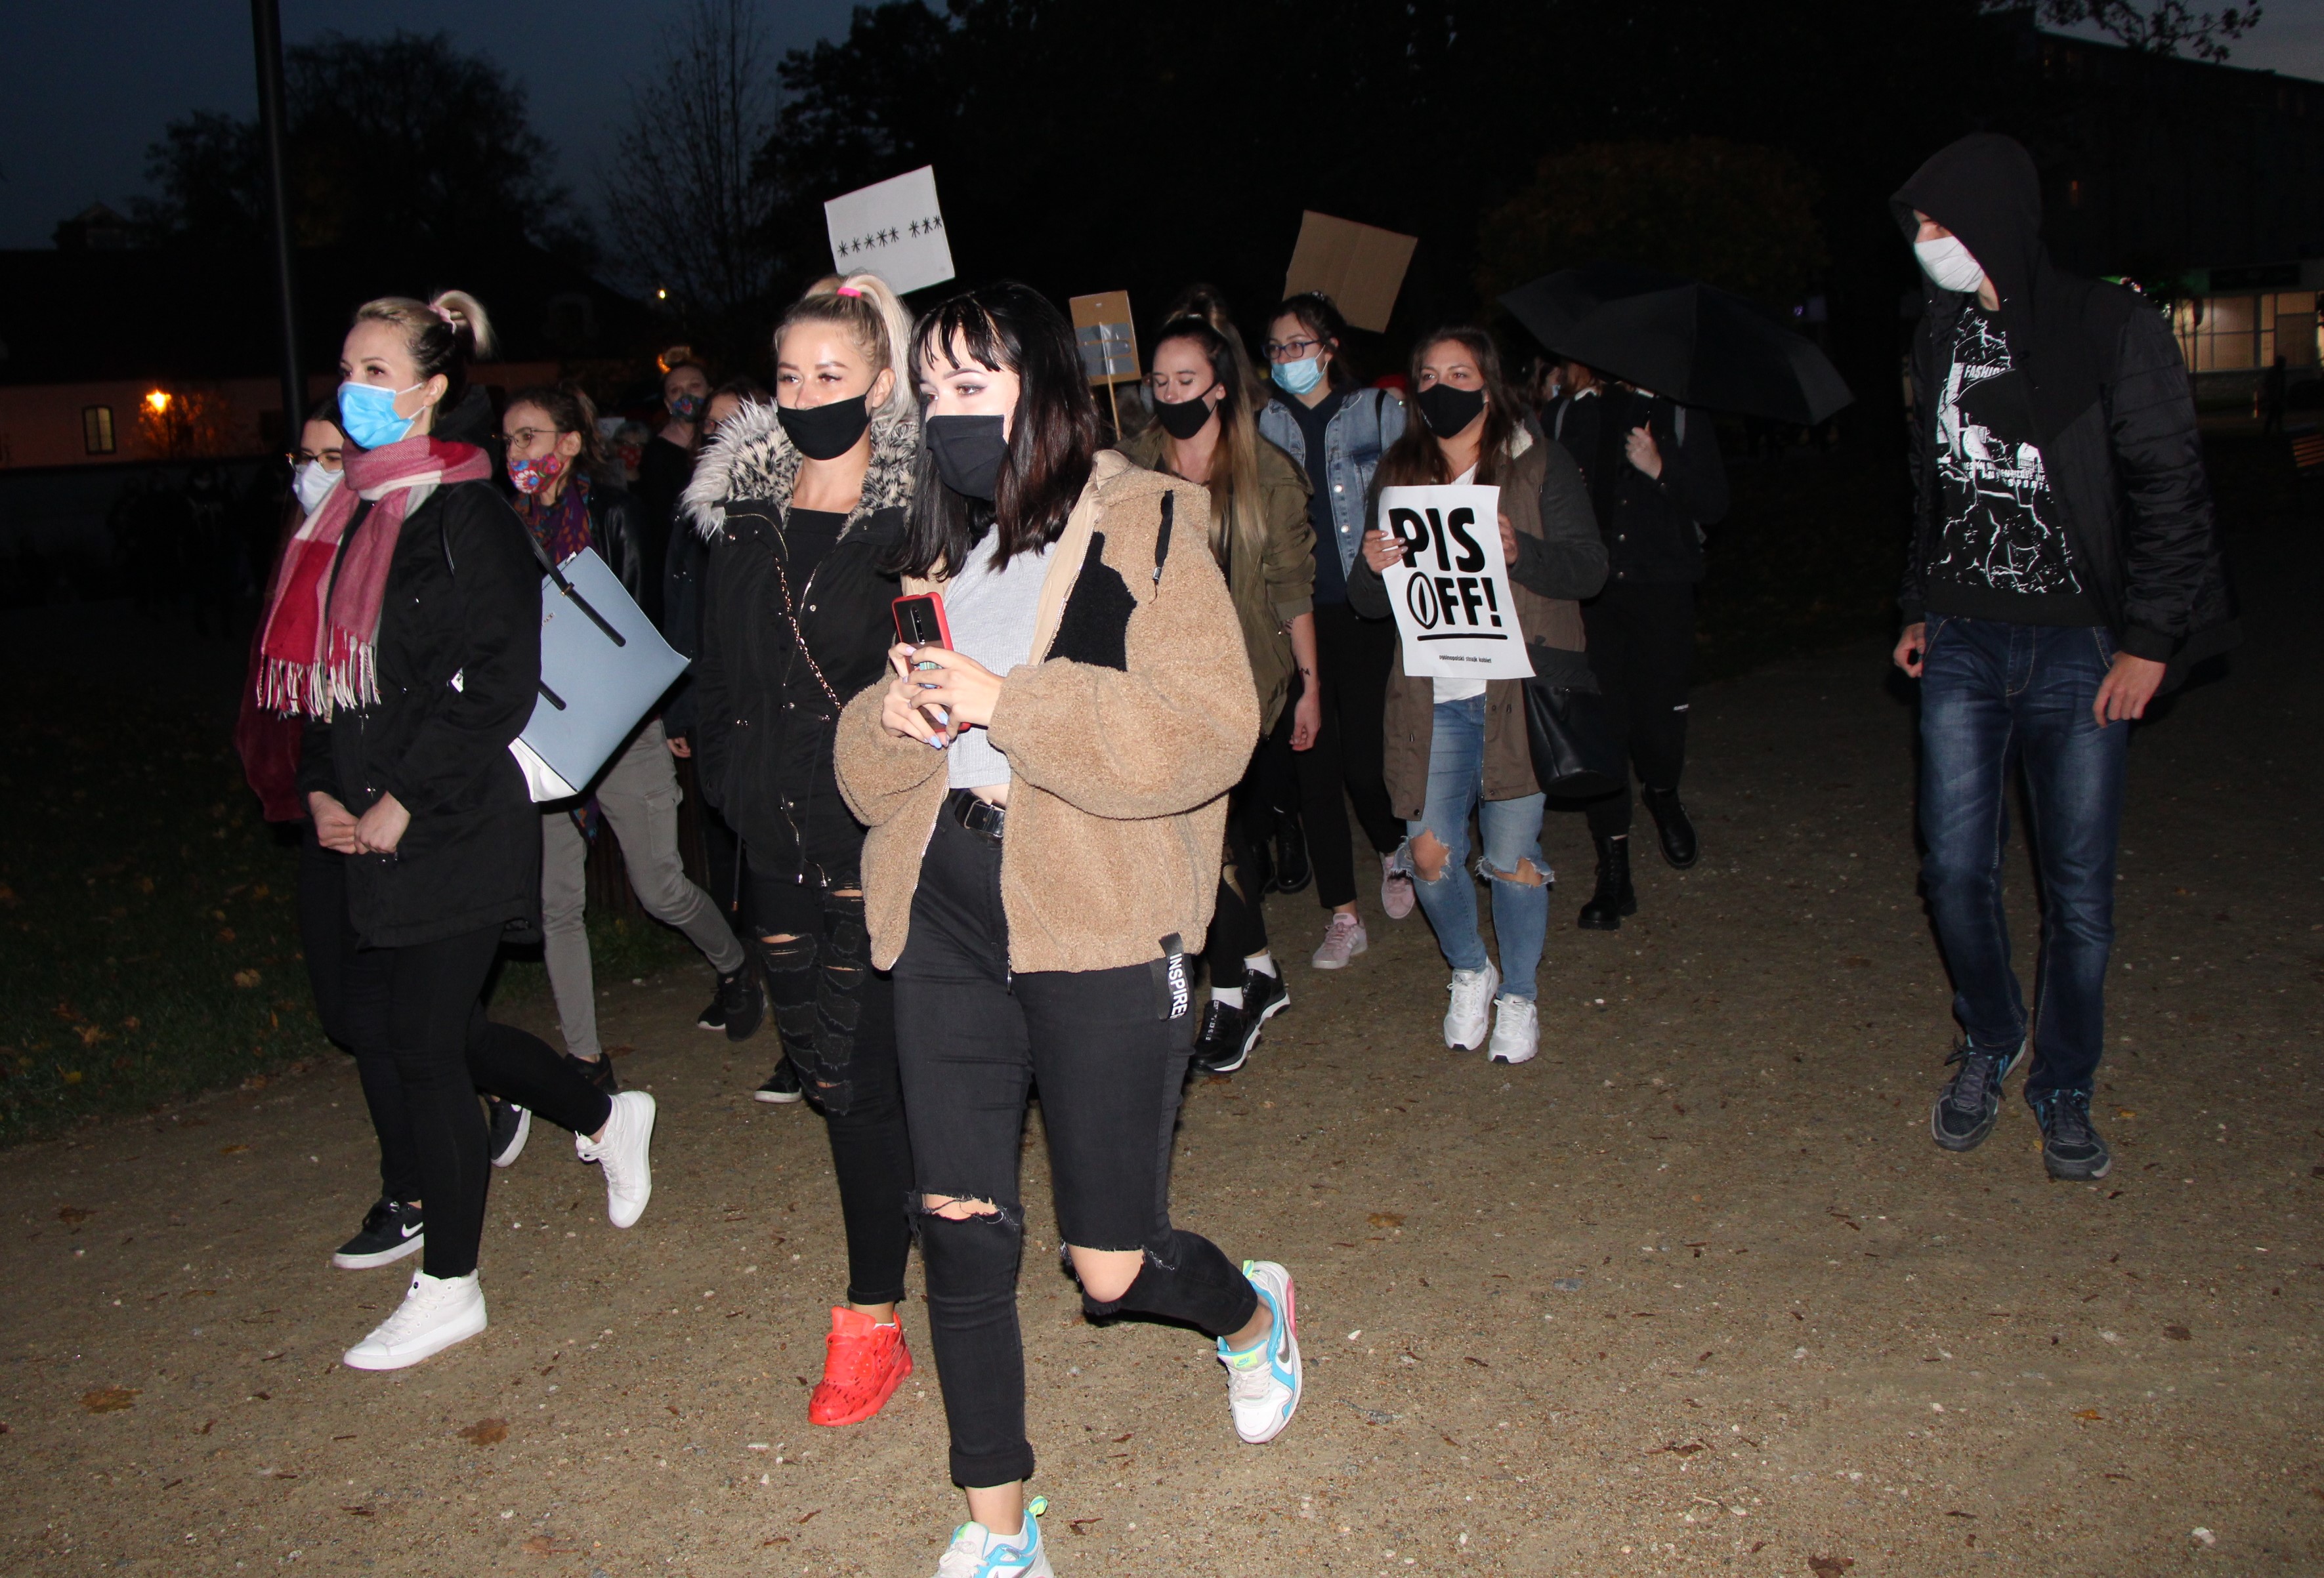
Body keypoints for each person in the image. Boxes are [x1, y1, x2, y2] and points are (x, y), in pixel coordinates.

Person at [835, 281, 1301, 1575]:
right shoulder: (941, 560)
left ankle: (1252, 1316)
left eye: (973, 384)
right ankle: (1000, 1525)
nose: (950, 414)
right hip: (944, 913)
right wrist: (886, 727)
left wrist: (1010, 703)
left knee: (1109, 1260)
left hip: (1100, 913)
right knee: (961, 1224)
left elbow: (1215, 734)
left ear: (1041, 386)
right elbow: (873, 778)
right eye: (932, 392)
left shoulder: (1151, 522)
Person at [261, 291, 656, 1368]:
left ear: (435, 388)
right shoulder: (349, 517)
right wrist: (330, 790)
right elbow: (335, 687)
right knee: (403, 1031)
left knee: (427, 1049)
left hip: (456, 823)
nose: (355, 388)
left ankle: (452, 1284)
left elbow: (498, 686)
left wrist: (403, 799)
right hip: (371, 824)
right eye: (348, 367)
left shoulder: (468, 516)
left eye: (378, 370)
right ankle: (603, 1115)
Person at [1891, 133, 2234, 1181]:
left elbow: (2169, 486)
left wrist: (2150, 640)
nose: (1924, 244)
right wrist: (1917, 602)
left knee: (2077, 892)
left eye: (1939, 225)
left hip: (2080, 644)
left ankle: (2063, 1082)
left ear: (1994, 221)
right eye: (1916, 229)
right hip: (1960, 636)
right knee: (1953, 871)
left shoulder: (2108, 324)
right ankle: (1992, 1034)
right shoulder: (1937, 330)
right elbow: (1930, 483)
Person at [685, 277, 924, 1426]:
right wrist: (726, 774)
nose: (806, 397)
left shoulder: (920, 514)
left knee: (855, 1075)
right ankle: (918, 1193)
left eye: (832, 375)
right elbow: (719, 668)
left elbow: (940, 673)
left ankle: (870, 1320)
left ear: (883, 381)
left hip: (877, 832)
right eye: (788, 378)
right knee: (829, 1075)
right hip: (768, 829)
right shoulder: (743, 513)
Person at [500, 384, 762, 1107]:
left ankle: (734, 964)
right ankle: (586, 1056)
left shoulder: (613, 516)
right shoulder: (497, 527)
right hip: (545, 736)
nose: (518, 452)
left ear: (569, 444)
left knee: (661, 887)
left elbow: (643, 623)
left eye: (529, 435)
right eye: (510, 440)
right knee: (558, 902)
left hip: (621, 728)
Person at [1349, 327, 1603, 1064]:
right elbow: (1371, 603)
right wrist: (1371, 566)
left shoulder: (1536, 463)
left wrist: (1522, 549)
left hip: (1516, 693)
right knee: (1429, 853)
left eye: (1458, 372)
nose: (1440, 387)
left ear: (1488, 384)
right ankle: (1471, 968)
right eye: (1427, 375)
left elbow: (1590, 568)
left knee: (1511, 855)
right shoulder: (1399, 471)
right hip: (1432, 695)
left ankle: (1519, 992)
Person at [1124, 312, 1316, 1075]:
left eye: (1187, 382)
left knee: (1213, 825)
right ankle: (1250, 975)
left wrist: (1311, 685)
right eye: (1161, 383)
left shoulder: (1264, 471)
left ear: (1220, 385)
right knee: (1204, 831)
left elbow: (1291, 586)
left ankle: (1238, 985)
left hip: (1244, 677)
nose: (1172, 395)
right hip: (1163, 675)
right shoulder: (1133, 462)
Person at [1256, 292, 1412, 966]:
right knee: (1312, 762)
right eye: (1276, 348)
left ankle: (1389, 844)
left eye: (1297, 344)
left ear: (1329, 345)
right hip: (1295, 614)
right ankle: (1342, 912)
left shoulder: (1380, 410)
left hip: (1367, 606)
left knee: (1367, 764)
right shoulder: (1261, 426)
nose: (1286, 358)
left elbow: (1415, 500)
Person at [1548, 359, 1727, 929]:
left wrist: (1660, 466)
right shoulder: (1568, 415)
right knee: (1603, 732)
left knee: (1656, 726)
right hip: (1592, 598)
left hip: (1660, 590)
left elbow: (1715, 503)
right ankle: (1614, 869)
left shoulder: (1676, 410)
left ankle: (1663, 791)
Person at [665, 376, 770, 1040]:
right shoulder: (695, 511)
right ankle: (740, 978)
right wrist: (683, 710)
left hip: (772, 707)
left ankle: (789, 1000)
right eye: (711, 425)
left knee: (771, 861)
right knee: (722, 844)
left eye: (733, 423)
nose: (719, 436)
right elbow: (684, 613)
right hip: (716, 701)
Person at [634, 352, 712, 621]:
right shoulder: (657, 454)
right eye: (676, 391)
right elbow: (659, 523)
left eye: (695, 386)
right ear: (668, 404)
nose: (687, 396)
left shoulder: (724, 441)